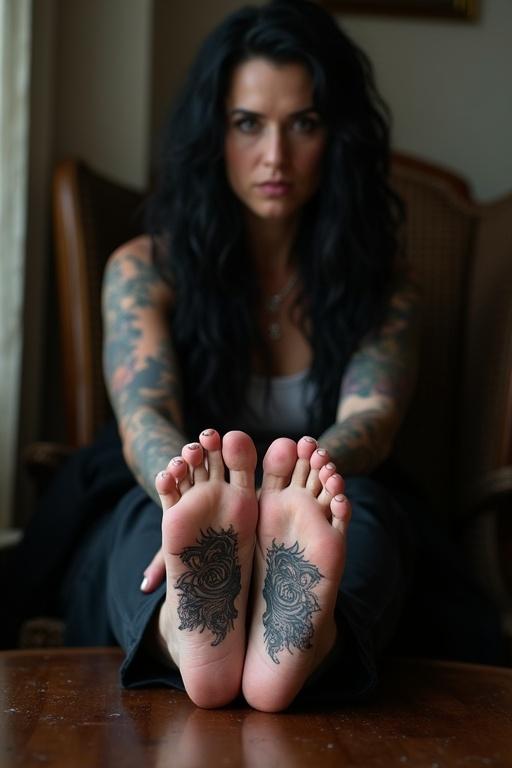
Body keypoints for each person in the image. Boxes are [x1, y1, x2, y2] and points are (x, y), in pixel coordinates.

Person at [5, 0, 421, 711]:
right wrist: (188, 491)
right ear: (213, 133)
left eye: (306, 124)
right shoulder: (144, 268)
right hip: (167, 475)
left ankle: (304, 642)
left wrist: (289, 491)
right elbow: (145, 417)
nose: (275, 157)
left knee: (363, 519)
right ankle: (183, 626)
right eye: (248, 123)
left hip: (320, 482)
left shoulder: (385, 288)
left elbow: (372, 423)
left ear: (339, 137)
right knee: (148, 518)